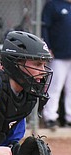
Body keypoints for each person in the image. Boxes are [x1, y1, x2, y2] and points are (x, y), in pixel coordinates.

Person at [41, 0, 71, 130]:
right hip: (58, 54)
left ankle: (69, 118)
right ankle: (50, 117)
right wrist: (48, 47)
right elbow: (45, 27)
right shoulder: (53, 5)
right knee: (54, 87)